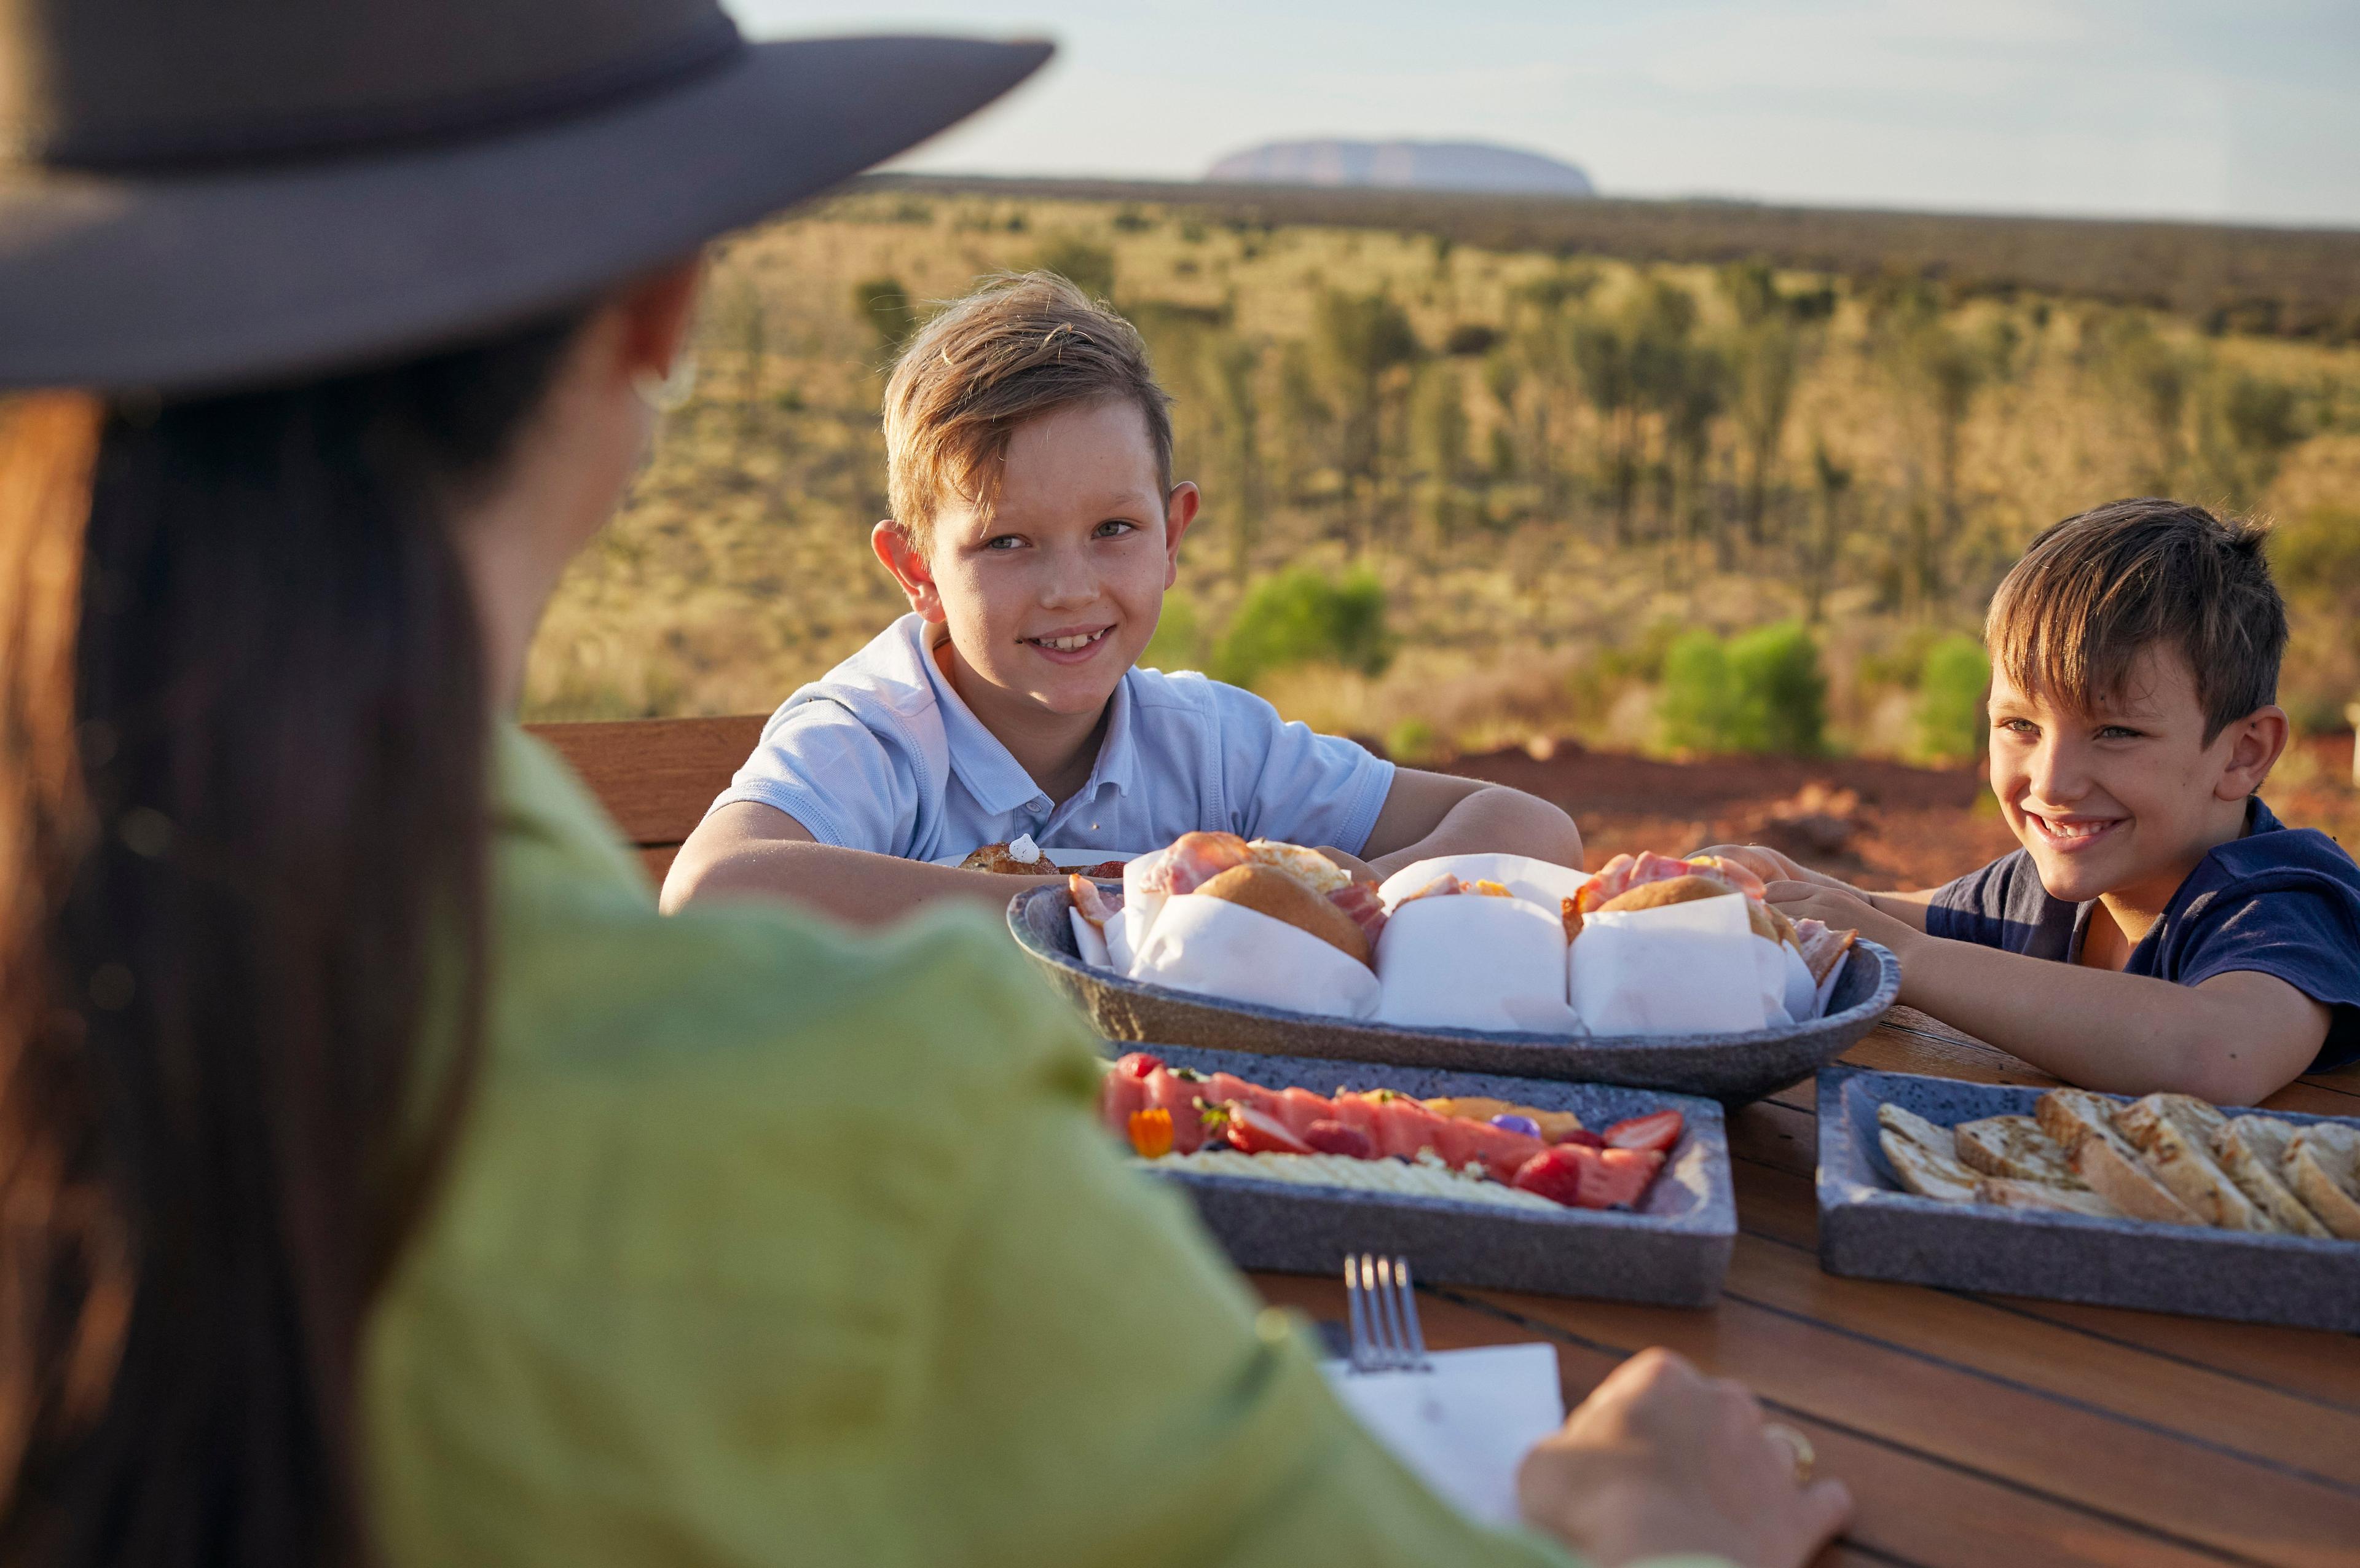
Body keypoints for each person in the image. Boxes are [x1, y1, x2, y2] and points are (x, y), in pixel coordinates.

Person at [0, 2, 1846, 1566]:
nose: (1069, 584)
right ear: (655, 308)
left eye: (1114, 529)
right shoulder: (877, 1103)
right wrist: (1650, 1518)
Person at [661, 275, 1583, 924]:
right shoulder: (880, 741)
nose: (1071, 589)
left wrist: (1334, 905)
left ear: (1172, 537)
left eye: (1114, 531)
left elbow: (1532, 829)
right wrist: (1122, 916)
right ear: (917, 572)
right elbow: (713, 890)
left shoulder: (1211, 746)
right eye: (1006, 543)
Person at [1705, 500, 2360, 1105]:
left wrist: (1904, 955)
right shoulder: (2042, 890)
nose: (2051, 784)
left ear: (2244, 752)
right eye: (2021, 726)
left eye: (2116, 732)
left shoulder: (2288, 902)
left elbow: (2214, 1052)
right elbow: (1892, 915)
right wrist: (1787, 886)